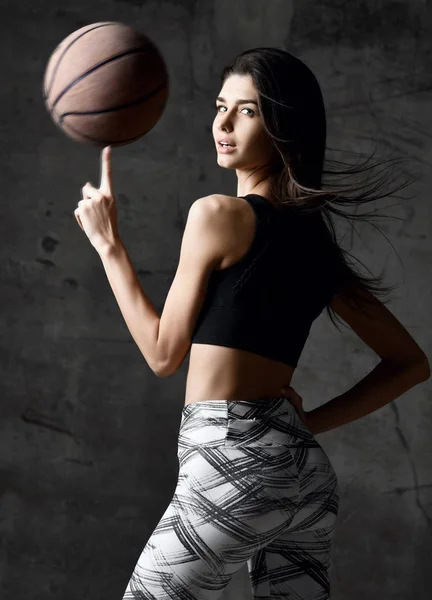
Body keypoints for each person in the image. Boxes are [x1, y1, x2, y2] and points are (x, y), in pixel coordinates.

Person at [76, 48, 430, 599]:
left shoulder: (217, 215)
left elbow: (164, 354)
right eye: (221, 106)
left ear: (284, 125)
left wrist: (109, 246)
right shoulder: (318, 249)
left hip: (228, 464)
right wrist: (305, 425)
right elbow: (411, 364)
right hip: (306, 482)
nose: (221, 123)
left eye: (247, 111)